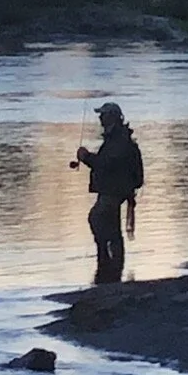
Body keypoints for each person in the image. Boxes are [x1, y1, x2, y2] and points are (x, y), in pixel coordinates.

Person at [75, 101, 144, 283]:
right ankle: (113, 266)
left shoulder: (118, 140)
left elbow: (106, 164)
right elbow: (106, 163)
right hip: (114, 189)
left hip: (114, 190)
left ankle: (107, 261)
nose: (100, 118)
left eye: (103, 115)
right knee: (111, 226)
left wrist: (86, 157)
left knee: (96, 218)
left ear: (112, 117)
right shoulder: (117, 138)